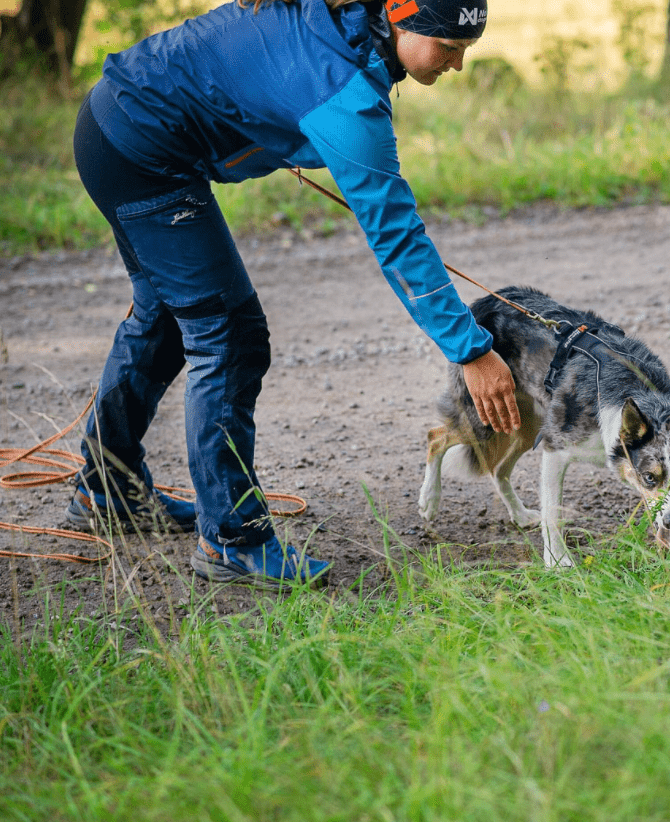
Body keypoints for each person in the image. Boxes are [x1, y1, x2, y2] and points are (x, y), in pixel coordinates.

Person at [66, 0, 521, 586]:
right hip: (140, 151)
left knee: (167, 318)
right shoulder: (346, 96)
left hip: (116, 123)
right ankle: (233, 541)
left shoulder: (347, 25)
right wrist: (471, 350)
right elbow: (398, 238)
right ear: (398, 19)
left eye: (465, 50)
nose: (457, 64)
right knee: (229, 336)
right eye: (449, 48)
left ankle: (108, 489)